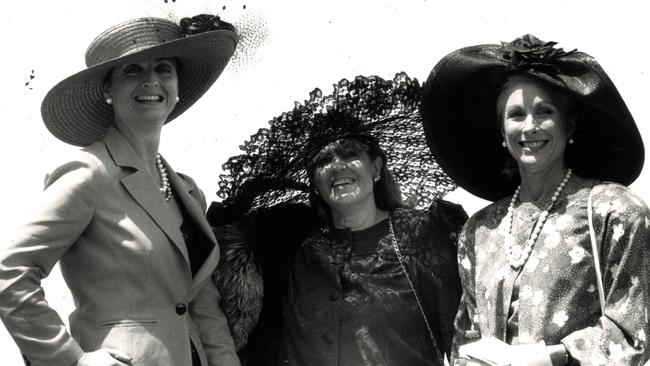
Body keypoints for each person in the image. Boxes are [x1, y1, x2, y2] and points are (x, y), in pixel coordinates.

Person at [0, 14, 241, 366]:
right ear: (107, 91)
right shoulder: (89, 173)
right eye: (132, 70)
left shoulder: (188, 192)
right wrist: (72, 360)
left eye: (163, 69)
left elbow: (204, 307)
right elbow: (10, 271)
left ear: (176, 89)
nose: (151, 81)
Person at [207, 73, 467, 365]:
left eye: (350, 154)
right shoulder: (296, 250)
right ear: (314, 183)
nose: (337, 166)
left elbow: (465, 340)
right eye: (323, 161)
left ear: (376, 168)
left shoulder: (421, 234)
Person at [420, 34, 649, 365]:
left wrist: (551, 357)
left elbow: (634, 332)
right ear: (501, 133)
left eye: (544, 111)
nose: (530, 126)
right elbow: (465, 339)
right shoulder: (480, 230)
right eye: (516, 114)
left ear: (568, 126)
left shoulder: (614, 210)